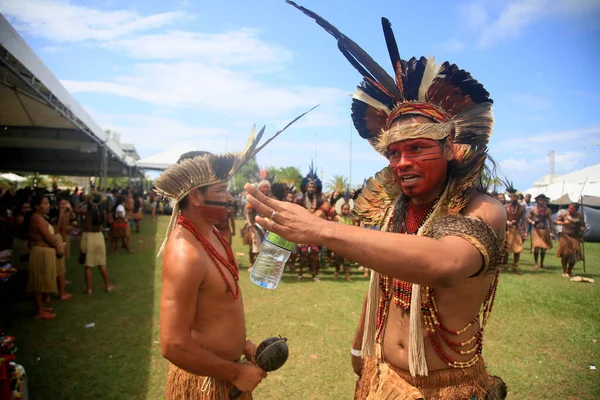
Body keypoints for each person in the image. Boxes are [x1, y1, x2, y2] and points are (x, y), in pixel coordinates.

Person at [248, 3, 508, 398]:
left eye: (418, 148)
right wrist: (359, 346)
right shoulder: (393, 211)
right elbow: (381, 286)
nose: (402, 162)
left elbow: (444, 265)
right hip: (382, 377)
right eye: (393, 153)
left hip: (445, 387)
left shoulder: (482, 209)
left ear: (451, 148)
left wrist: (319, 228)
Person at [153, 114, 311, 400]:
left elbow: (213, 313)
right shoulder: (185, 253)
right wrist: (234, 373)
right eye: (222, 190)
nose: (230, 198)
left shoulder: (212, 234)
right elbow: (173, 345)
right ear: (196, 197)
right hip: (206, 383)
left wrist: (243, 345)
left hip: (226, 373)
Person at [25, 195, 63, 319]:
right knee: (39, 282)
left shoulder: (41, 217)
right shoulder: (37, 218)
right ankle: (39, 311)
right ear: (37, 206)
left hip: (44, 251)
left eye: (48, 203)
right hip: (41, 252)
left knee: (42, 280)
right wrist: (57, 246)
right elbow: (47, 237)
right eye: (45, 203)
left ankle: (40, 306)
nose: (48, 206)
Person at [78, 193, 114, 294]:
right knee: (101, 264)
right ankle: (107, 286)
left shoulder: (87, 212)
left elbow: (75, 209)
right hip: (99, 237)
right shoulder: (102, 212)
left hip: (88, 237)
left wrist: (84, 202)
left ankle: (89, 289)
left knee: (88, 265)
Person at [502, 184, 528, 274]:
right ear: (509, 197)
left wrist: (526, 232)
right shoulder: (505, 207)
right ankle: (505, 265)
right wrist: (507, 222)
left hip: (516, 229)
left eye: (515, 197)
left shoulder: (521, 208)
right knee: (506, 249)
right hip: (507, 229)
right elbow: (502, 218)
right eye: (511, 197)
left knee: (518, 249)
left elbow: (524, 220)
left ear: (517, 197)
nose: (513, 198)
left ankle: (515, 265)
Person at [555, 203, 585, 277]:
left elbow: (583, 225)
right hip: (565, 236)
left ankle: (569, 270)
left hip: (575, 237)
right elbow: (555, 221)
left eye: (572, 209)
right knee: (565, 254)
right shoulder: (564, 214)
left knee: (574, 255)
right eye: (569, 208)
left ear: (576, 210)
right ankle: (564, 271)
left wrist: (582, 230)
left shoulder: (579, 216)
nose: (570, 210)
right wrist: (562, 223)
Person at [528, 194, 554, 270]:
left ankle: (542, 263)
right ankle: (536, 263)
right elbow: (528, 219)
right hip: (536, 230)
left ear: (545, 201)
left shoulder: (548, 210)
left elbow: (550, 221)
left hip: (544, 229)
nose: (541, 201)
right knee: (536, 247)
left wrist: (552, 231)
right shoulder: (533, 209)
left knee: (543, 248)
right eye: (540, 200)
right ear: (537, 201)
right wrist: (533, 222)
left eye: (543, 200)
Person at [333, 197, 355, 281]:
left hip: (348, 242)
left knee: (347, 260)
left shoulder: (352, 219)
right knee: (337, 259)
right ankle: (337, 272)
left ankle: (347, 275)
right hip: (338, 242)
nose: (346, 210)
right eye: (344, 209)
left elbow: (354, 230)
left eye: (347, 209)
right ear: (341, 209)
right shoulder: (337, 218)